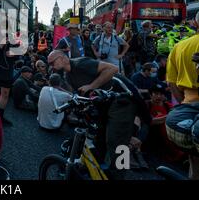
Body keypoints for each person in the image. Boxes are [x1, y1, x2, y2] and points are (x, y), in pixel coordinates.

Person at [47, 50, 138, 179]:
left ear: (62, 58)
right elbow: (80, 94)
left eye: (52, 62)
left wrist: (91, 86)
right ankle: (98, 172)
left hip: (121, 101)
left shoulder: (80, 63)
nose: (51, 66)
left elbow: (113, 68)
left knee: (117, 142)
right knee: (98, 138)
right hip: (104, 105)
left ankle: (120, 176)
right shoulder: (68, 76)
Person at [165, 12, 199, 179]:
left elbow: (171, 83)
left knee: (194, 160)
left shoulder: (180, 47)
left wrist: (183, 103)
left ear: (195, 24)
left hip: (187, 108)